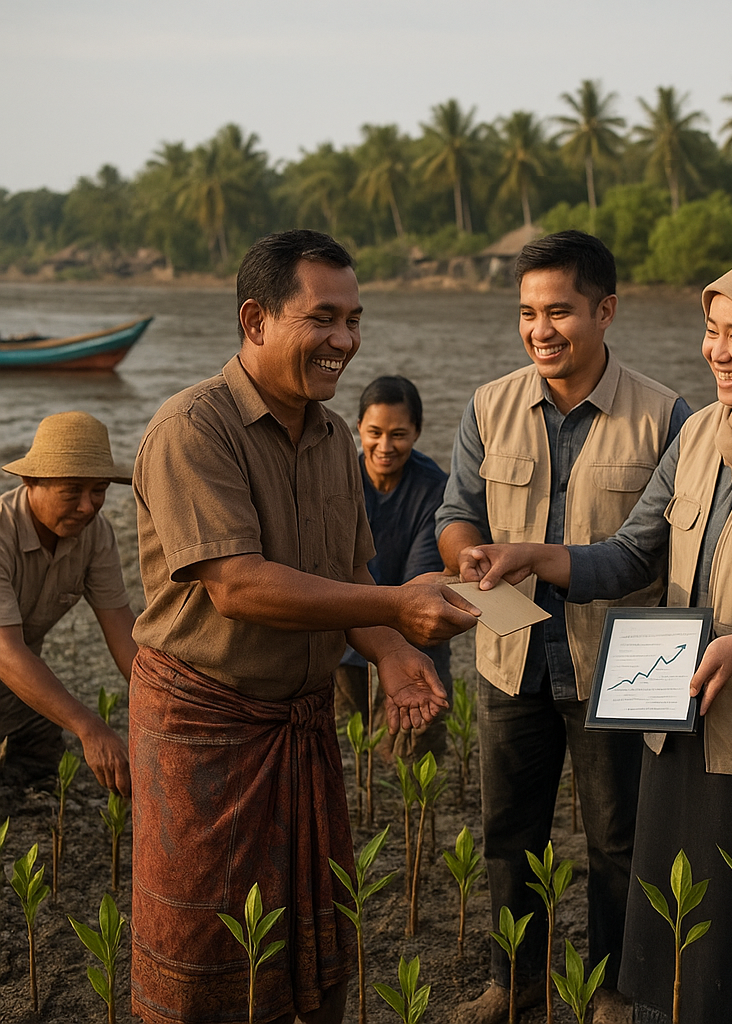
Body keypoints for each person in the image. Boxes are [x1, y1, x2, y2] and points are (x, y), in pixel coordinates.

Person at [465, 256, 732, 1024]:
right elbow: (630, 553)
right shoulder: (697, 433)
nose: (715, 352)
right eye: (710, 332)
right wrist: (532, 557)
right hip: (676, 725)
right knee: (680, 936)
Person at [129, 229, 479, 1024]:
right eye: (324, 318)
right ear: (255, 320)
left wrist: (390, 654)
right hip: (207, 727)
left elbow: (347, 569)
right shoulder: (194, 428)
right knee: (201, 950)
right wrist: (395, 608)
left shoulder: (332, 438)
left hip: (301, 722)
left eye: (355, 320)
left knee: (302, 946)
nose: (346, 342)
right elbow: (239, 587)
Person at [436, 230, 690, 1024]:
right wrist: (469, 557)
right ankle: (515, 986)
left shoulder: (667, 417)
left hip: (624, 661)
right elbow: (454, 515)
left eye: (560, 312)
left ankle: (615, 991)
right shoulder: (489, 404)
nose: (541, 330)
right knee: (510, 834)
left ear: (605, 311)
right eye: (527, 313)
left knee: (621, 839)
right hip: (509, 653)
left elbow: (664, 556)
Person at [0, 411, 136, 796]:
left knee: (44, 782)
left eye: (100, 489)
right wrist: (89, 727)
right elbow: (5, 651)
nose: (88, 506)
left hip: (21, 694)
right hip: (11, 665)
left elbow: (121, 627)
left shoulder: (96, 534)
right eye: (72, 490)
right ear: (31, 481)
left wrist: (162, 710)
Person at [335, 375, 452, 760]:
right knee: (348, 744)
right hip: (347, 632)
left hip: (414, 634)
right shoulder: (338, 481)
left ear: (417, 432)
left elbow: (421, 583)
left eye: (399, 434)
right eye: (374, 432)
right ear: (358, 430)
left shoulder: (434, 489)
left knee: (410, 748)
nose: (385, 446)